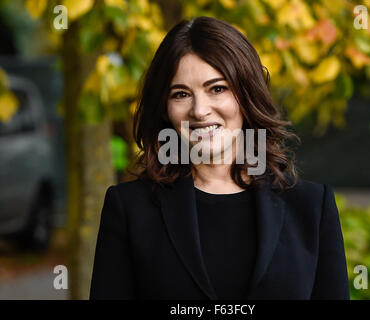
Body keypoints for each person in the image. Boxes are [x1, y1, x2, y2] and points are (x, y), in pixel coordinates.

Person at [89, 16, 350, 300]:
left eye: (217, 88)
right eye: (181, 94)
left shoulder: (311, 207)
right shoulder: (129, 209)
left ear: (246, 95)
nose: (199, 110)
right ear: (164, 109)